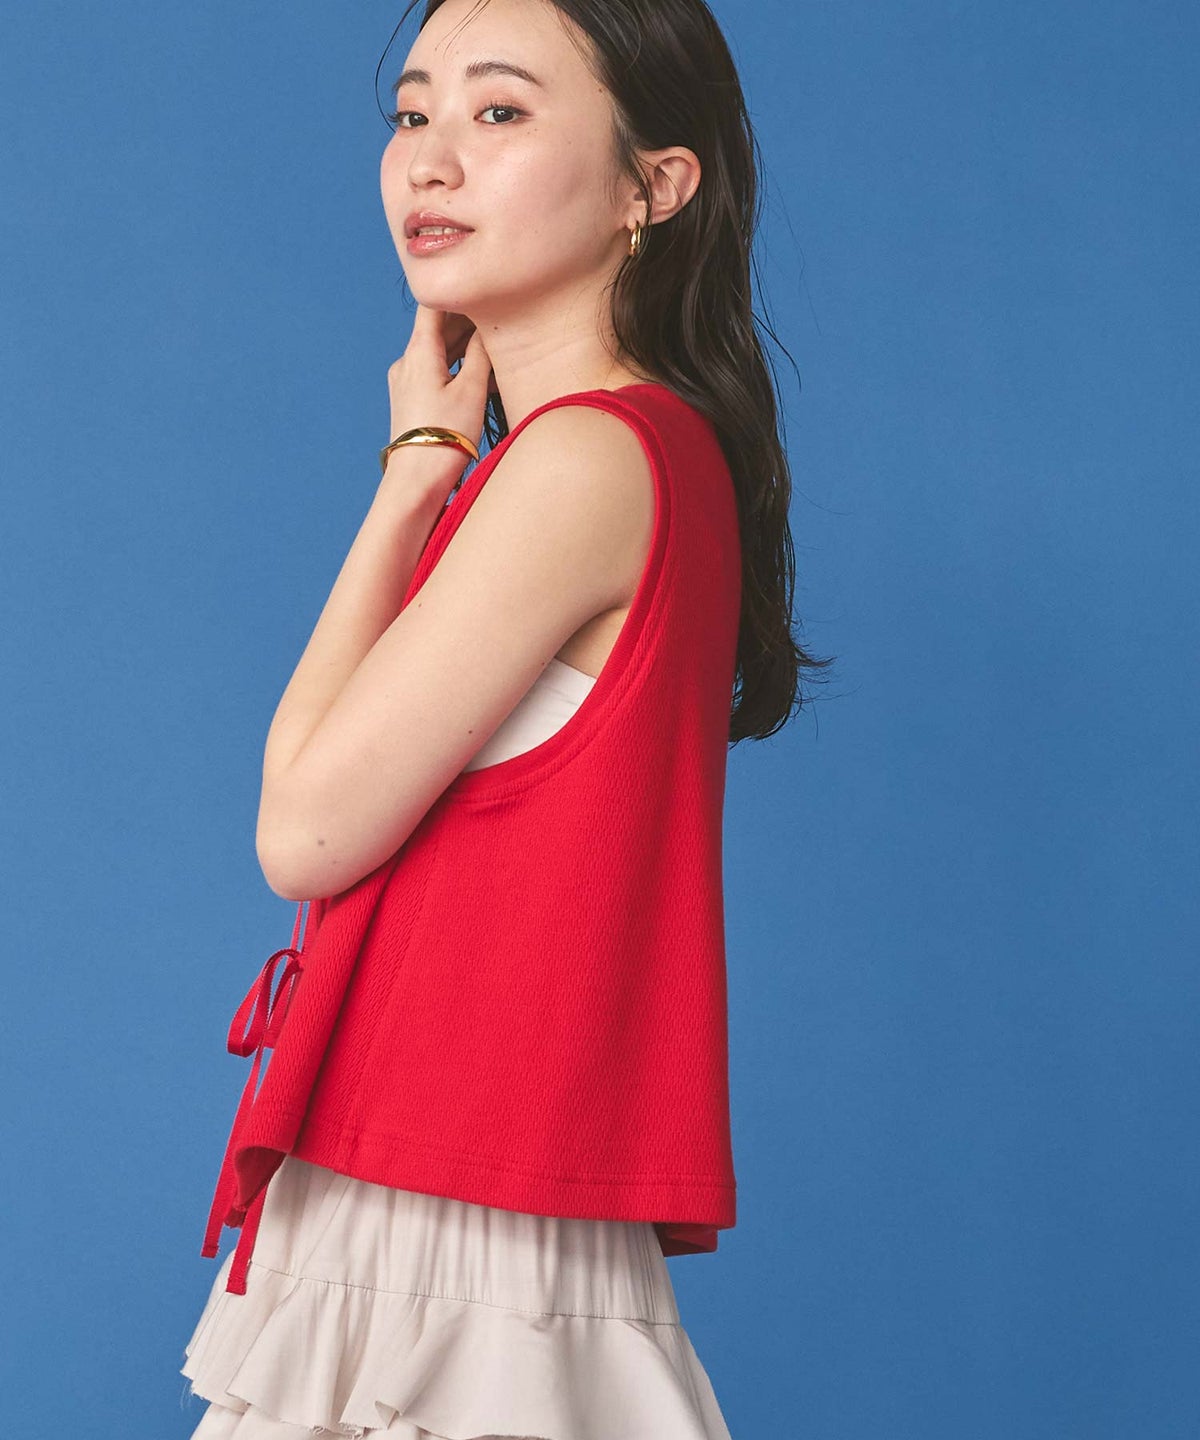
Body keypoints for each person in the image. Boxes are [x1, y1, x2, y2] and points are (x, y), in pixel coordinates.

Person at [180, 0, 833, 1435]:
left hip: (455, 1218)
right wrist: (431, 467)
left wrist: (411, 470)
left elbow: (304, 828)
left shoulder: (587, 458)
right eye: (413, 113)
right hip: (458, 1196)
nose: (430, 160)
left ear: (653, 186)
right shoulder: (620, 452)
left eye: (499, 111)